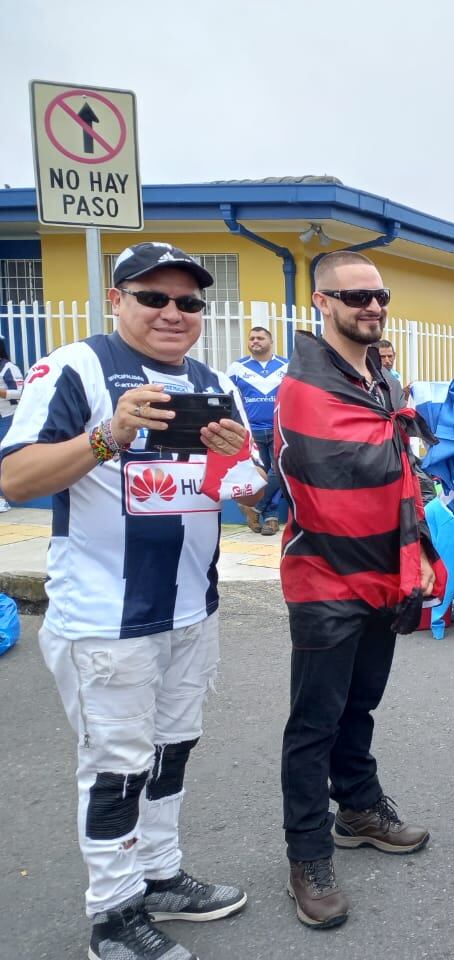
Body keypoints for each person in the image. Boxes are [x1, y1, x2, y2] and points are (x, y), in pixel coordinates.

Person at [0, 242, 262, 960]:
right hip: (106, 620)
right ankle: (112, 916)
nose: (173, 313)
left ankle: (160, 876)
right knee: (116, 766)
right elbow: (16, 480)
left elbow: (251, 492)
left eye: (188, 302)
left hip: (191, 609)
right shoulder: (76, 367)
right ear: (117, 300)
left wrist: (234, 458)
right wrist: (110, 434)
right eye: (153, 297)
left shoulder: (213, 381)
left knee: (172, 752)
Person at [277, 251, 435, 929]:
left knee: (359, 705)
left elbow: (405, 473)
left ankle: (360, 809)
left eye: (380, 296)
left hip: (383, 573)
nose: (371, 307)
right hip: (325, 576)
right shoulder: (303, 386)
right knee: (313, 722)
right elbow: (322, 489)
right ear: (321, 302)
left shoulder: (385, 381)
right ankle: (307, 856)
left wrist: (417, 557)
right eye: (355, 297)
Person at [226, 326, 287, 535]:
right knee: (257, 473)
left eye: (260, 338)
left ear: (271, 341)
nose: (255, 341)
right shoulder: (237, 367)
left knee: (279, 470)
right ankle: (270, 519)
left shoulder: (286, 366)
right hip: (251, 431)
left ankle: (257, 509)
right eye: (251, 338)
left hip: (279, 427)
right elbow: (229, 399)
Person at [0, 335, 24, 512]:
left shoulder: (8, 368)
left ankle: (3, 499)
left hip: (8, 418)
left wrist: (3, 393)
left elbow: (22, 392)